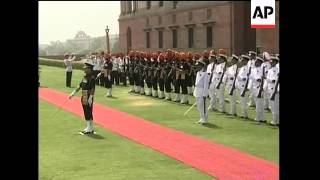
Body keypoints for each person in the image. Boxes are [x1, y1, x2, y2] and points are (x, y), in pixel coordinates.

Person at [68, 61, 96, 134]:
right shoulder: (85, 77)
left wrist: (90, 98)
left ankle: (90, 128)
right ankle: (90, 127)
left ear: (89, 69)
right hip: (84, 94)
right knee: (86, 110)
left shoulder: (92, 77)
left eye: (86, 68)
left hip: (88, 95)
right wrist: (73, 93)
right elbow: (80, 85)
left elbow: (92, 88)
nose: (84, 69)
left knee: (88, 111)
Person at [249, 56, 266, 123]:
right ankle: (262, 118)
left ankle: (258, 118)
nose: (255, 62)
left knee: (259, 104)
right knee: (258, 103)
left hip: (259, 87)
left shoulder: (261, 69)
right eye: (255, 61)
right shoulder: (253, 69)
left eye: (257, 61)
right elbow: (251, 76)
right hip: (254, 87)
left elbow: (261, 79)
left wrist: (258, 79)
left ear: (260, 62)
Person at [193, 59, 209, 125]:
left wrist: (205, 94)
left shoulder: (205, 74)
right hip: (197, 91)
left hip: (202, 91)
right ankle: (201, 118)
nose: (196, 67)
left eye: (198, 66)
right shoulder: (198, 73)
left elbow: (206, 85)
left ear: (201, 66)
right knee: (199, 106)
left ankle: (205, 119)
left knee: (203, 106)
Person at [236, 55, 251, 119]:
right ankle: (243, 113)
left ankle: (245, 114)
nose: (241, 61)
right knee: (242, 101)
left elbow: (246, 78)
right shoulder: (242, 68)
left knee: (244, 101)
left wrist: (247, 87)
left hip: (244, 86)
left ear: (246, 61)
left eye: (242, 60)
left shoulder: (247, 68)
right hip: (240, 86)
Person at [266, 56, 279, 126]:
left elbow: (274, 80)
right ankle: (275, 120)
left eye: (272, 62)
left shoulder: (276, 70)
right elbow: (268, 79)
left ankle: (275, 121)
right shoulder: (270, 70)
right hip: (270, 89)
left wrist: (270, 80)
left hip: (274, 90)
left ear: (275, 62)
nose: (271, 63)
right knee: (273, 106)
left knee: (275, 106)